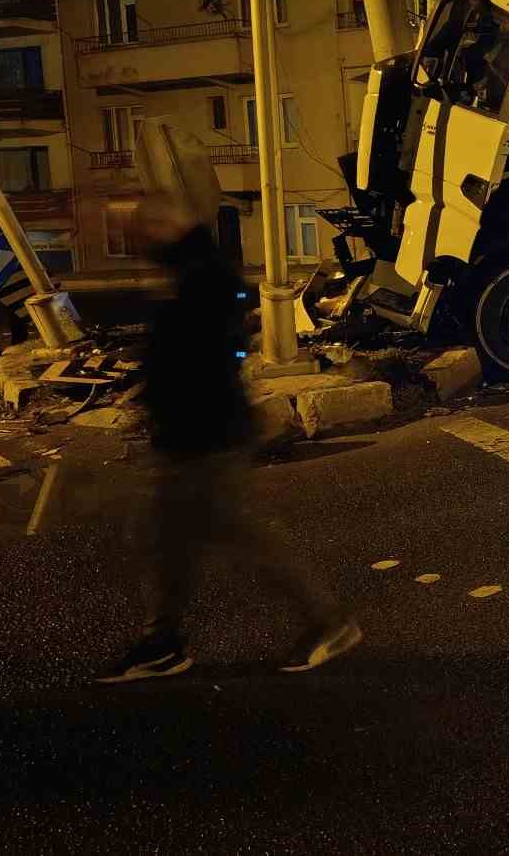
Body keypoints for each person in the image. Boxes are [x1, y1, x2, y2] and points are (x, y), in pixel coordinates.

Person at [96, 193, 361, 684]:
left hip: (202, 434)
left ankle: (329, 622)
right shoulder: (187, 272)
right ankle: (163, 641)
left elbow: (202, 352)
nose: (132, 238)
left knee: (241, 539)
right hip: (189, 431)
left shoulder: (201, 276)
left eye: (140, 227)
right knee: (166, 539)